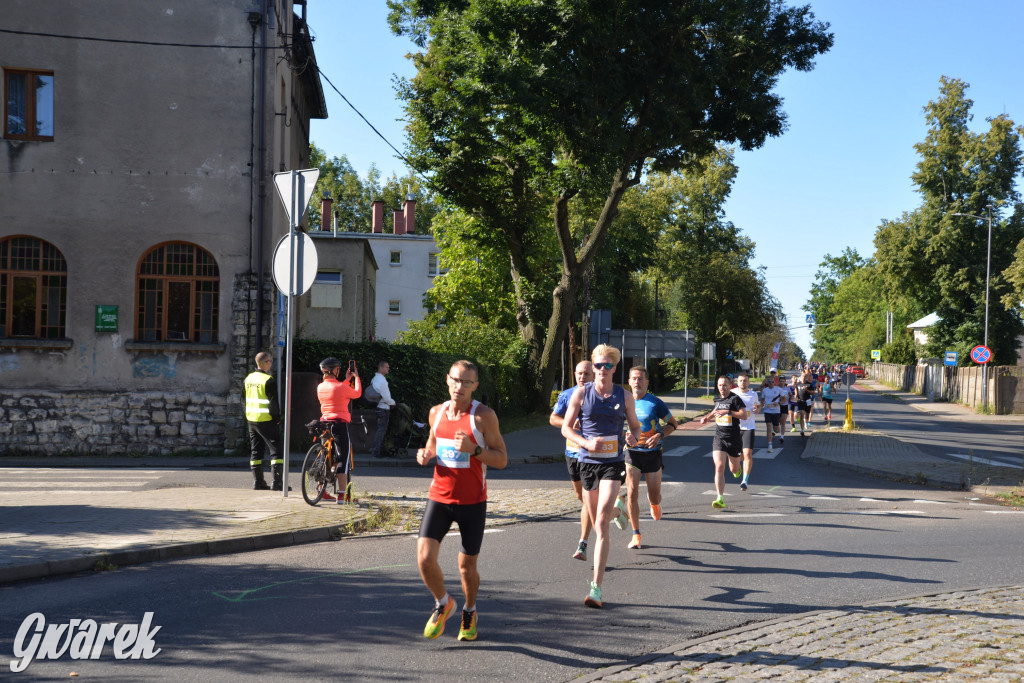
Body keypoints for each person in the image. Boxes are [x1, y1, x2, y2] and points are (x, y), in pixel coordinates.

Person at [416, 360, 508, 641]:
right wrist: (425, 453)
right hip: (439, 497)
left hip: (472, 502)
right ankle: (444, 603)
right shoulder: (436, 413)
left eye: (467, 382)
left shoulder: (483, 417)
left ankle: (469, 610)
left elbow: (502, 459)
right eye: (456, 380)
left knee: (466, 567)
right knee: (424, 558)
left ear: (475, 386)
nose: (460, 387)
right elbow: (432, 443)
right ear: (447, 380)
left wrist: (475, 450)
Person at [561, 344, 642, 609]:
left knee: (602, 521)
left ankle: (596, 588)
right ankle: (620, 510)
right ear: (593, 367)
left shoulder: (624, 396)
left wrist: (632, 436)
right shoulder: (581, 394)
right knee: (597, 518)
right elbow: (565, 428)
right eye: (598, 365)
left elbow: (636, 428)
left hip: (613, 462)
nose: (602, 370)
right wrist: (584, 443)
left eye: (608, 366)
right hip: (587, 462)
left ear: (615, 368)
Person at [623, 366, 679, 550]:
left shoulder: (655, 403)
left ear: (647, 382)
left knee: (654, 496)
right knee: (631, 491)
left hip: (653, 454)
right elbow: (614, 426)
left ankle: (654, 503)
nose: (637, 382)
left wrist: (659, 435)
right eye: (634, 378)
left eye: (640, 379)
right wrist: (624, 435)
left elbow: (673, 424)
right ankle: (636, 533)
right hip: (632, 453)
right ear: (629, 381)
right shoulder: (623, 402)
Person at [549, 360, 596, 561]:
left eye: (586, 374)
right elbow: (553, 418)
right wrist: (569, 425)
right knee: (581, 497)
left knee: (587, 499)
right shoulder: (567, 395)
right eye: (579, 373)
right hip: (572, 453)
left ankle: (583, 543)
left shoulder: (600, 395)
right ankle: (615, 510)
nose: (582, 377)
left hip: (593, 455)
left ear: (593, 375)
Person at [699, 375, 749, 510]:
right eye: (720, 385)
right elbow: (716, 410)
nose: (722, 388)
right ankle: (719, 498)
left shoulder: (735, 399)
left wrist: (728, 412)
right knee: (719, 466)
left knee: (734, 469)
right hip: (719, 438)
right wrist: (707, 418)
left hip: (733, 439)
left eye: (725, 385)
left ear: (730, 385)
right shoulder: (717, 399)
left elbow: (744, 415)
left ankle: (737, 469)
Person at [316, 357, 362, 502]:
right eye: (338, 370)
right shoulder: (341, 387)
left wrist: (346, 380)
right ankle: (343, 495)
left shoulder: (320, 386)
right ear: (334, 370)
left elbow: (337, 390)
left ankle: (320, 490)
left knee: (324, 457)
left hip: (324, 424)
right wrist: (356, 378)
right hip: (339, 424)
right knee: (343, 458)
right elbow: (357, 393)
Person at [243, 351, 284, 491]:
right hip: (266, 420)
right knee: (276, 451)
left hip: (252, 420)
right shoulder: (268, 380)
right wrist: (277, 418)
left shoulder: (248, 379)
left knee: (256, 451)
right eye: (270, 361)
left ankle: (258, 482)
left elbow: (244, 399)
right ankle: (277, 483)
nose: (270, 364)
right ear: (265, 363)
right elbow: (273, 403)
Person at [730, 373, 761, 491]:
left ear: (748, 382)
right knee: (740, 456)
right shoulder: (732, 393)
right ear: (737, 382)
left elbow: (758, 407)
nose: (743, 383)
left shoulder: (753, 394)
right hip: (735, 428)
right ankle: (737, 468)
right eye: (741, 381)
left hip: (749, 427)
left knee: (748, 454)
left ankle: (745, 480)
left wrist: (757, 409)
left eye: (745, 381)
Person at [370, 360, 396, 458]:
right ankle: (376, 452)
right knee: (381, 431)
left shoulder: (374, 379)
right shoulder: (382, 381)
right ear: (381, 368)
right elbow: (386, 398)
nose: (388, 369)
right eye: (386, 367)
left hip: (377, 407)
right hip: (383, 408)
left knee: (380, 430)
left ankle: (380, 450)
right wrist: (393, 403)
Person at [760, 375, 787, 454]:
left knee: (776, 429)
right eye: (769, 382)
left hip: (776, 412)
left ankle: (777, 429)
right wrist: (760, 406)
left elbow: (784, 399)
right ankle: (770, 445)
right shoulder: (765, 390)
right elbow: (762, 400)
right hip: (767, 411)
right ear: (767, 383)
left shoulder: (778, 389)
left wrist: (779, 403)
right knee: (768, 427)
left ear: (775, 382)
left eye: (772, 382)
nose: (771, 383)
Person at [794, 371, 816, 437]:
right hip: (801, 401)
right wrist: (796, 395)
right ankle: (802, 430)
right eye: (802, 376)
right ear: (801, 377)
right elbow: (796, 389)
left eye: (805, 376)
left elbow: (813, 393)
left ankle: (806, 422)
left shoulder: (809, 384)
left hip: (808, 401)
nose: (803, 377)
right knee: (802, 415)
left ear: (806, 377)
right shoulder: (798, 384)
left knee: (807, 415)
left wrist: (806, 390)